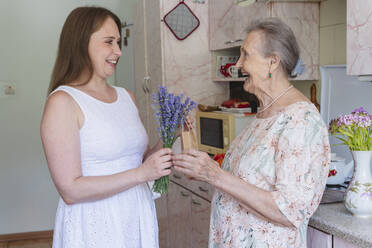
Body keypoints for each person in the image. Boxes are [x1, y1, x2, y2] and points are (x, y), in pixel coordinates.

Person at [173, 18, 330, 248]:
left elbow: (289, 211)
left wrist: (215, 175)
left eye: (245, 54)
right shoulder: (265, 113)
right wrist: (201, 162)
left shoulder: (301, 121)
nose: (237, 64)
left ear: (272, 62)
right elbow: (245, 179)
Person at [40, 7, 172, 248]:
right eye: (109, 42)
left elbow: (138, 161)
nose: (118, 51)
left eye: (119, 42)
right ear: (81, 44)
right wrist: (141, 174)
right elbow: (70, 190)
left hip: (135, 214)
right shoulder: (63, 102)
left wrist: (171, 136)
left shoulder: (126, 97)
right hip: (95, 223)